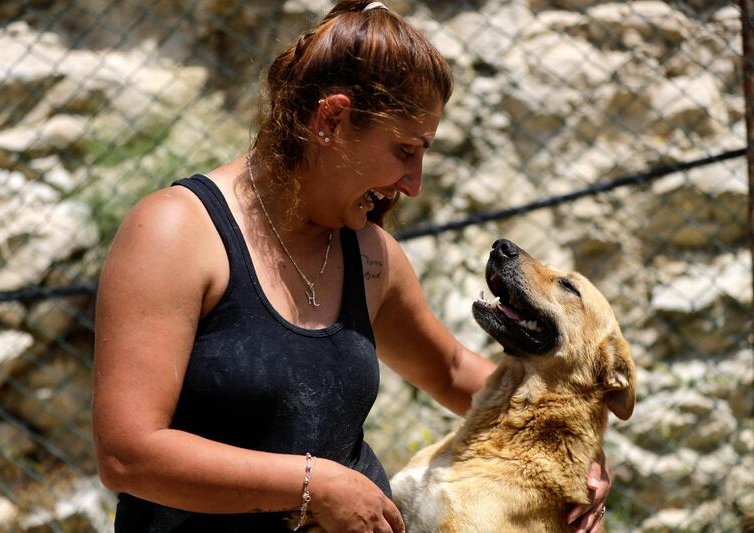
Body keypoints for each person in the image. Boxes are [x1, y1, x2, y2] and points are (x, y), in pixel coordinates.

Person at [91, 1, 611, 531]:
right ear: (331, 120)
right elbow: (129, 454)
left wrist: (574, 452)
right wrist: (313, 485)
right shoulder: (175, 232)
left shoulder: (371, 254)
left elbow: (453, 371)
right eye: (405, 150)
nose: (414, 183)